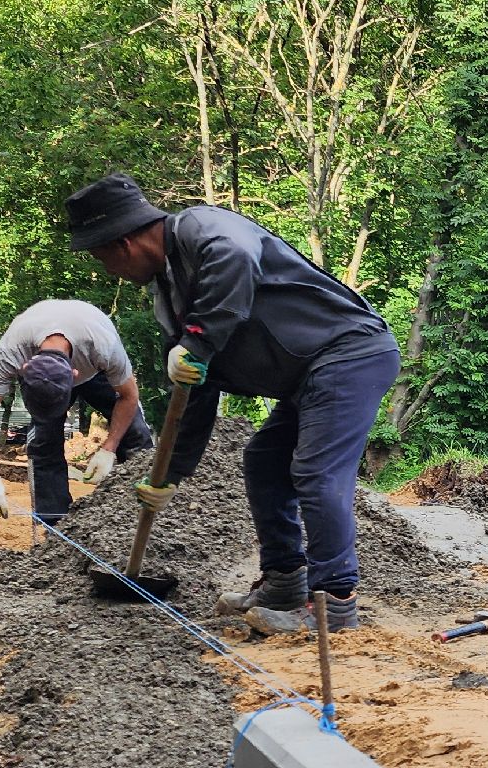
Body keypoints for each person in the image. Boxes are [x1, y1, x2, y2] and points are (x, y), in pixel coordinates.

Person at [64, 173, 400, 632]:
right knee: (264, 461)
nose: (108, 271)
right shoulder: (170, 293)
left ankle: (333, 604)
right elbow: (193, 392)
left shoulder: (201, 228)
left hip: (348, 355)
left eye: (103, 258)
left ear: (122, 243)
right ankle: (285, 580)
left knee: (316, 472)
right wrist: (171, 473)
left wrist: (198, 342)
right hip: (309, 374)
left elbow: (236, 257)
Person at [0, 299, 153, 523]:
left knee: (135, 435)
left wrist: (109, 448)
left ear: (75, 374)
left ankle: (143, 517)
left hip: (96, 369)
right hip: (53, 358)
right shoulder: (12, 350)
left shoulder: (104, 346)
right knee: (43, 443)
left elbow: (129, 396)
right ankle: (55, 530)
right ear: (24, 369)